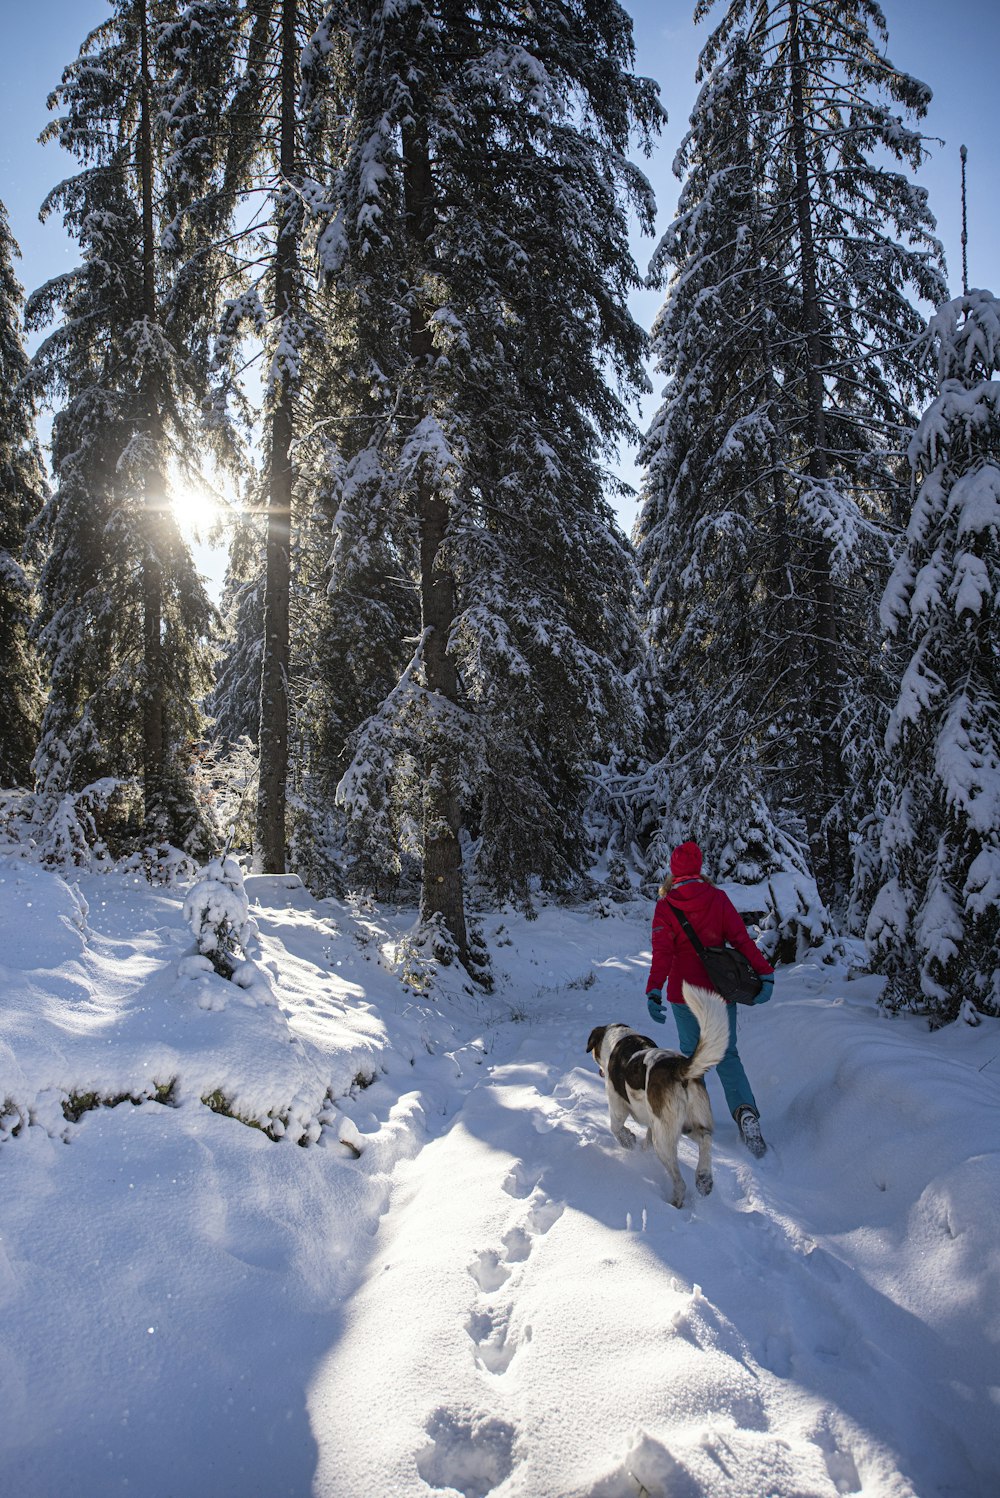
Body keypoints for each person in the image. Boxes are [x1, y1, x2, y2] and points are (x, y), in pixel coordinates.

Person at [645, 840, 774, 1157]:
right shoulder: (718, 899)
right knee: (727, 1055)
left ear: (674, 872)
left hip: (683, 994)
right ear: (699, 868)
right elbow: (741, 941)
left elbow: (662, 954)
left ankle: (693, 1117)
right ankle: (745, 1113)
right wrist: (764, 973)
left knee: (692, 1056)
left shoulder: (666, 906)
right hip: (718, 993)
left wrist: (654, 989)